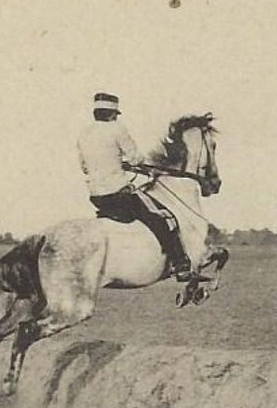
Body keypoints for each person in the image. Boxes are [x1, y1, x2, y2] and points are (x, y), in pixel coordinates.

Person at [78, 92, 193, 280]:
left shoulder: (85, 134)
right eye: (115, 114)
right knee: (165, 218)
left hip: (96, 196)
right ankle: (181, 265)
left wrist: (114, 162)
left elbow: (84, 167)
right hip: (119, 192)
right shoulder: (117, 129)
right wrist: (137, 165)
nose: (116, 117)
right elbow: (136, 158)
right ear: (111, 114)